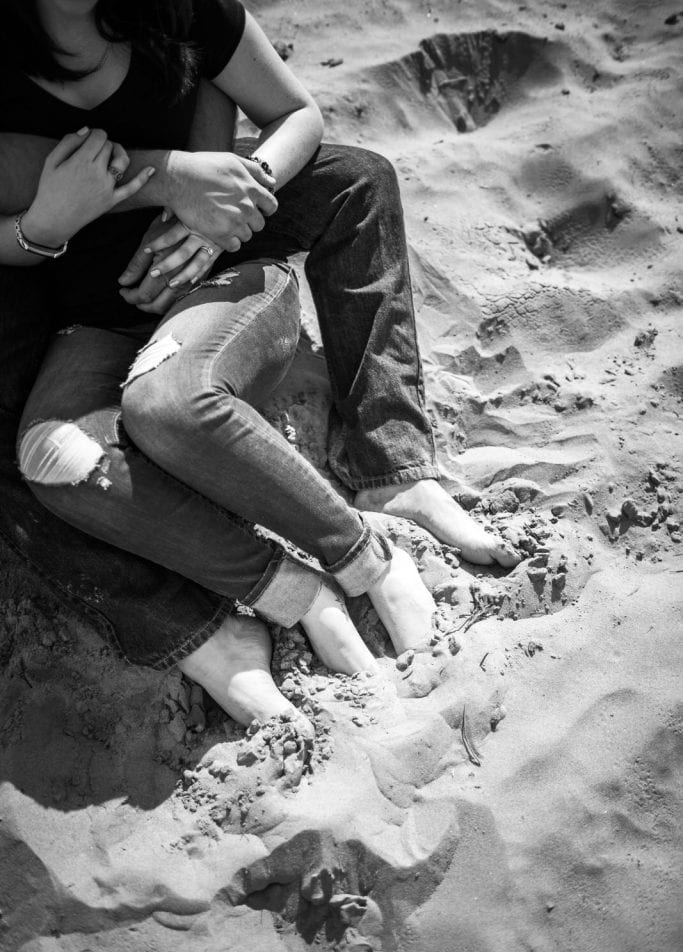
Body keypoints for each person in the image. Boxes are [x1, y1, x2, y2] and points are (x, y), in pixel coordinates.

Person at [0, 0, 518, 731]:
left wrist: (228, 197)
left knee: (169, 405)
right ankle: (290, 592)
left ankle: (374, 542)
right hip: (89, 320)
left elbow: (295, 114)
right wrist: (128, 193)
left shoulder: (179, 8)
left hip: (221, 282)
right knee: (53, 457)